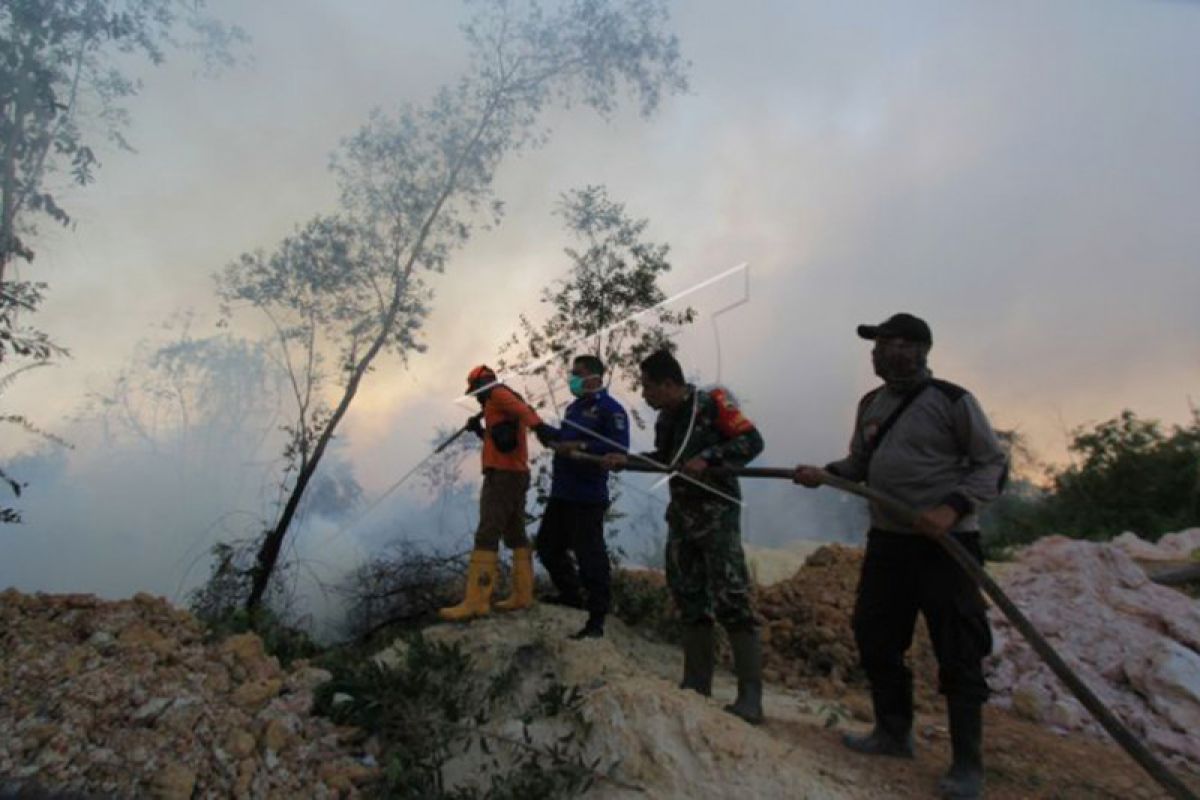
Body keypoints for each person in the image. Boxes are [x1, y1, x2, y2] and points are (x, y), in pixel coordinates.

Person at [793, 313, 1008, 800]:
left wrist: (949, 510)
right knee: (875, 634)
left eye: (887, 343)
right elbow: (860, 465)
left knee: (959, 647)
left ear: (917, 349)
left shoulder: (952, 401)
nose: (876, 353)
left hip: (945, 547)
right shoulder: (871, 404)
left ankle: (967, 766)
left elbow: (992, 466)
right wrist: (824, 473)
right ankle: (893, 733)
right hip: (889, 541)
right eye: (875, 345)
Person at [603, 349, 766, 724]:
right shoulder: (666, 418)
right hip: (682, 518)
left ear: (668, 383)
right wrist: (624, 460)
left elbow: (753, 442)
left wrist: (708, 459)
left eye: (647, 386)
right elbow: (663, 458)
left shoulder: (712, 403)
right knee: (689, 596)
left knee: (732, 597)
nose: (644, 394)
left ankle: (750, 698)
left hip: (717, 516)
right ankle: (696, 686)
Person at [439, 365, 558, 622]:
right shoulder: (499, 400)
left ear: (481, 385)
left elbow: (523, 412)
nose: (477, 397)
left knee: (487, 533)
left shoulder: (497, 394)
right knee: (515, 534)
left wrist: (540, 427)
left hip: (502, 477)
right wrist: (479, 429)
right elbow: (502, 441)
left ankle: (476, 601)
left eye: (475, 391)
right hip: (515, 474)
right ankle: (522, 595)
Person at [535, 355, 630, 640]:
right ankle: (570, 595)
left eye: (577, 373)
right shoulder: (574, 408)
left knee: (590, 556)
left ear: (594, 376)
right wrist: (537, 426)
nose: (572, 378)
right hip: (562, 492)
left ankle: (597, 618)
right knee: (548, 546)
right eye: (572, 372)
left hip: (587, 496)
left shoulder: (611, 410)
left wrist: (582, 445)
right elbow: (562, 438)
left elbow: (618, 447)